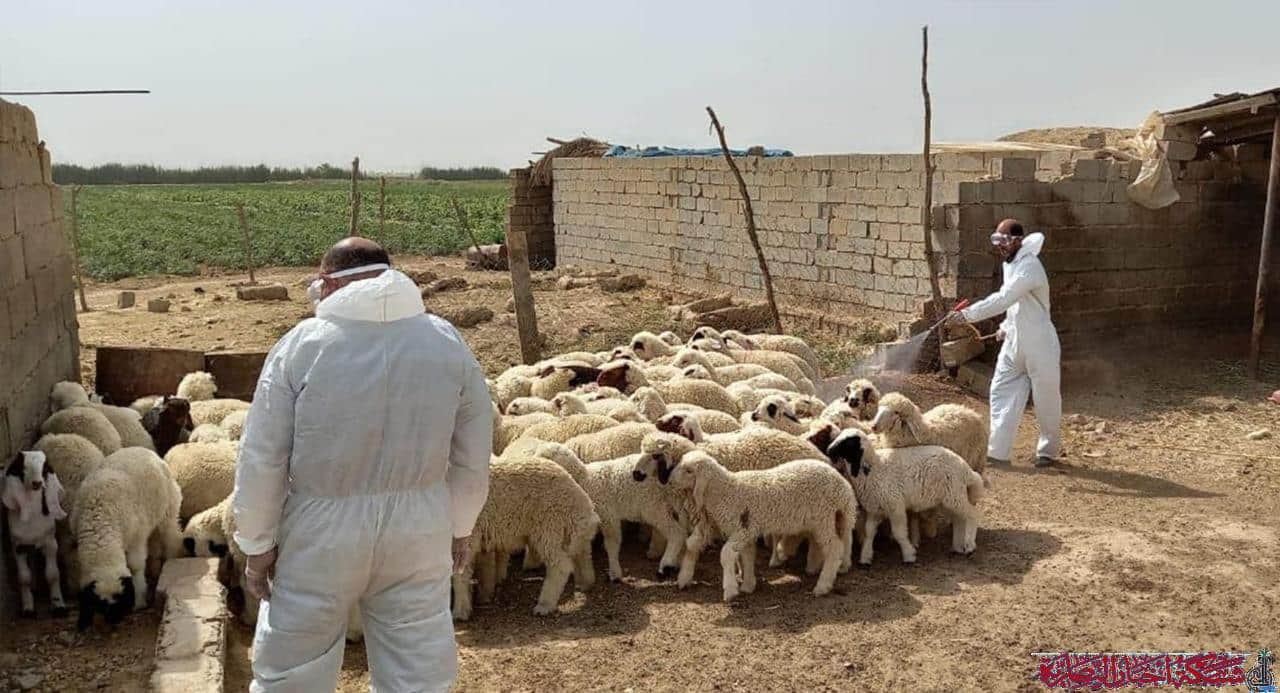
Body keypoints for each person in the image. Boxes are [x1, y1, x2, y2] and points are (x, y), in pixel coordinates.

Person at [232, 237, 492, 692]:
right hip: (419, 527)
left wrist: (257, 543)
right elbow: (473, 449)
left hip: (320, 531)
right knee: (416, 669)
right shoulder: (444, 340)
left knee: (294, 667)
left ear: (329, 283)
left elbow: (263, 455)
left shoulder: (304, 344)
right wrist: (460, 524)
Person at [950, 219, 1061, 468]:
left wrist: (966, 315)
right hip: (1014, 344)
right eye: (996, 240)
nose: (1000, 245)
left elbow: (1004, 298)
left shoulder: (1029, 266)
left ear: (1018, 241)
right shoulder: (1011, 264)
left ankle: (1048, 451)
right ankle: (997, 452)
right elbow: (1017, 305)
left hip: (1040, 344)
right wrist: (1005, 327)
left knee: (1046, 399)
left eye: (1004, 240)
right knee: (1000, 391)